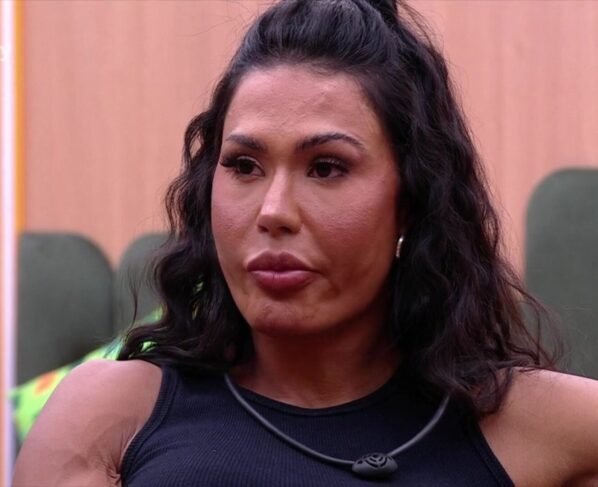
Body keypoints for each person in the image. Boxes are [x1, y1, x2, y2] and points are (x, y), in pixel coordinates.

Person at [13, 0, 598, 485]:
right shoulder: (112, 416)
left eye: (326, 168)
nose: (273, 211)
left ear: (413, 199)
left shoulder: (545, 429)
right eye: (244, 165)